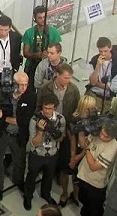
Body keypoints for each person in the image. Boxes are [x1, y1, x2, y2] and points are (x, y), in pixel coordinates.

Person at [36, 63, 80, 206]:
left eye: (70, 78)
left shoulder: (73, 89)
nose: (68, 80)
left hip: (65, 127)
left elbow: (76, 109)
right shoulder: (46, 88)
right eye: (65, 78)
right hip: (48, 125)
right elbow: (38, 106)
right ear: (57, 75)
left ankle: (59, 172)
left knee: (63, 152)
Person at [0, 71, 36, 201]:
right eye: (21, 85)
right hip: (1, 132)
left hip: (18, 135)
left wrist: (4, 118)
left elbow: (23, 121)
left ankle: (19, 181)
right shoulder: (4, 92)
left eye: (26, 85)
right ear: (14, 83)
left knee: (20, 161)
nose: (24, 88)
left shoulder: (31, 96)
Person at [23, 94, 66, 211]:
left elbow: (61, 138)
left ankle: (46, 194)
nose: (47, 111)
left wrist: (54, 134)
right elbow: (34, 143)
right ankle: (28, 196)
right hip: (37, 154)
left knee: (48, 176)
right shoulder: (34, 119)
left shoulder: (61, 119)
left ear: (54, 107)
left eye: (50, 108)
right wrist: (40, 131)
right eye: (45, 108)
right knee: (31, 176)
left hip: (52, 154)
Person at [75, 120, 117, 216]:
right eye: (102, 133)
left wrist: (87, 149)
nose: (101, 137)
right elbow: (84, 145)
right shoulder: (95, 134)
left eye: (106, 136)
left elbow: (93, 166)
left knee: (94, 209)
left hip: (96, 184)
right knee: (83, 201)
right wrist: (80, 132)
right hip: (84, 176)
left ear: (113, 137)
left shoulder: (113, 148)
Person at [66, 95, 99, 206]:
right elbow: (73, 141)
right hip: (77, 149)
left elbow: (90, 143)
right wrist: (73, 157)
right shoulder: (74, 120)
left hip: (88, 152)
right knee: (75, 175)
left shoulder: (94, 120)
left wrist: (80, 156)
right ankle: (74, 194)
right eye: (89, 108)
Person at [22, 5, 61, 87]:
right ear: (35, 18)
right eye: (40, 18)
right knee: (29, 90)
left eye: (44, 17)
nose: (43, 19)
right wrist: (37, 55)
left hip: (49, 66)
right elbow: (25, 53)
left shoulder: (54, 32)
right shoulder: (29, 32)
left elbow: (58, 51)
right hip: (32, 66)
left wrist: (48, 54)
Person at [86, 36, 117, 113]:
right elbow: (92, 82)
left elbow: (113, 87)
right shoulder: (94, 60)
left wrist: (97, 83)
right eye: (100, 51)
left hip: (106, 99)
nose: (103, 54)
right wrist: (97, 66)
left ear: (110, 48)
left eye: (105, 51)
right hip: (92, 95)